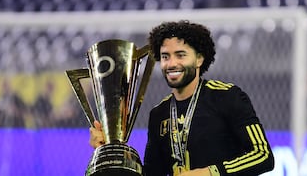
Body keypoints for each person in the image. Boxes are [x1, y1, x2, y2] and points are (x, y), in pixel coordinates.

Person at [89, 20, 274, 176]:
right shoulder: (158, 114)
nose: (172, 63)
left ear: (199, 59)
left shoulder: (227, 96)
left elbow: (263, 155)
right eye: (165, 57)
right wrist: (112, 150)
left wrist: (209, 172)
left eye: (180, 55)